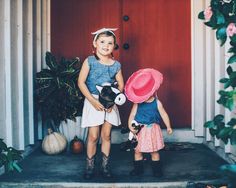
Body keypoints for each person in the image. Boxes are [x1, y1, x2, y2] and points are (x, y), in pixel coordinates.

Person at [78, 28, 124, 179]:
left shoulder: (116, 65)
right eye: (102, 42)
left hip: (109, 102)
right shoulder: (89, 61)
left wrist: (111, 102)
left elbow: (121, 85)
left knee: (106, 135)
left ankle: (105, 166)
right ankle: (90, 166)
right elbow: (81, 82)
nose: (106, 45)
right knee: (93, 135)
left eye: (110, 43)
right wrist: (92, 101)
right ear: (95, 43)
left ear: (114, 46)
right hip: (93, 100)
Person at [124, 68, 173, 177]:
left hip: (152, 130)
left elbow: (164, 114)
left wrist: (168, 126)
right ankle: (138, 169)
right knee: (137, 151)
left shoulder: (157, 103)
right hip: (140, 130)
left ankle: (157, 170)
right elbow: (132, 115)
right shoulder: (137, 104)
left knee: (154, 151)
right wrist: (130, 125)